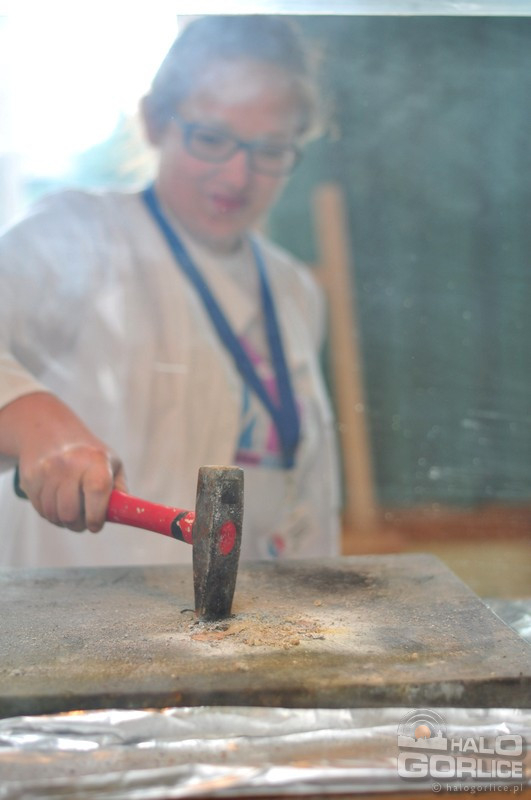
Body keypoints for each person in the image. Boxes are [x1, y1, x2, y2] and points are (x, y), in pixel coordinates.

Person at [0, 14, 341, 568]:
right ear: (155, 121)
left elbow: (302, 488)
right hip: (78, 612)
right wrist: (34, 418)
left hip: (254, 614)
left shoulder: (294, 289)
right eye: (211, 139)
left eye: (270, 150)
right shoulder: (74, 235)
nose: (237, 176)